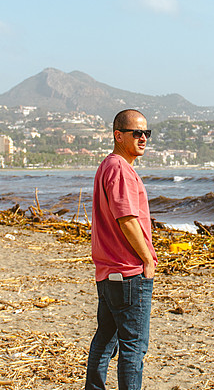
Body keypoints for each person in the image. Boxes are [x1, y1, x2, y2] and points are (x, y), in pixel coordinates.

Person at [85, 109, 158, 390]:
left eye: (146, 133)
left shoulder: (108, 166)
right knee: (133, 347)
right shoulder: (119, 169)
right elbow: (127, 220)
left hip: (108, 272)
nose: (143, 138)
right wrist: (147, 259)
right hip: (128, 272)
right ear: (118, 135)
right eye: (136, 133)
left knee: (105, 338)